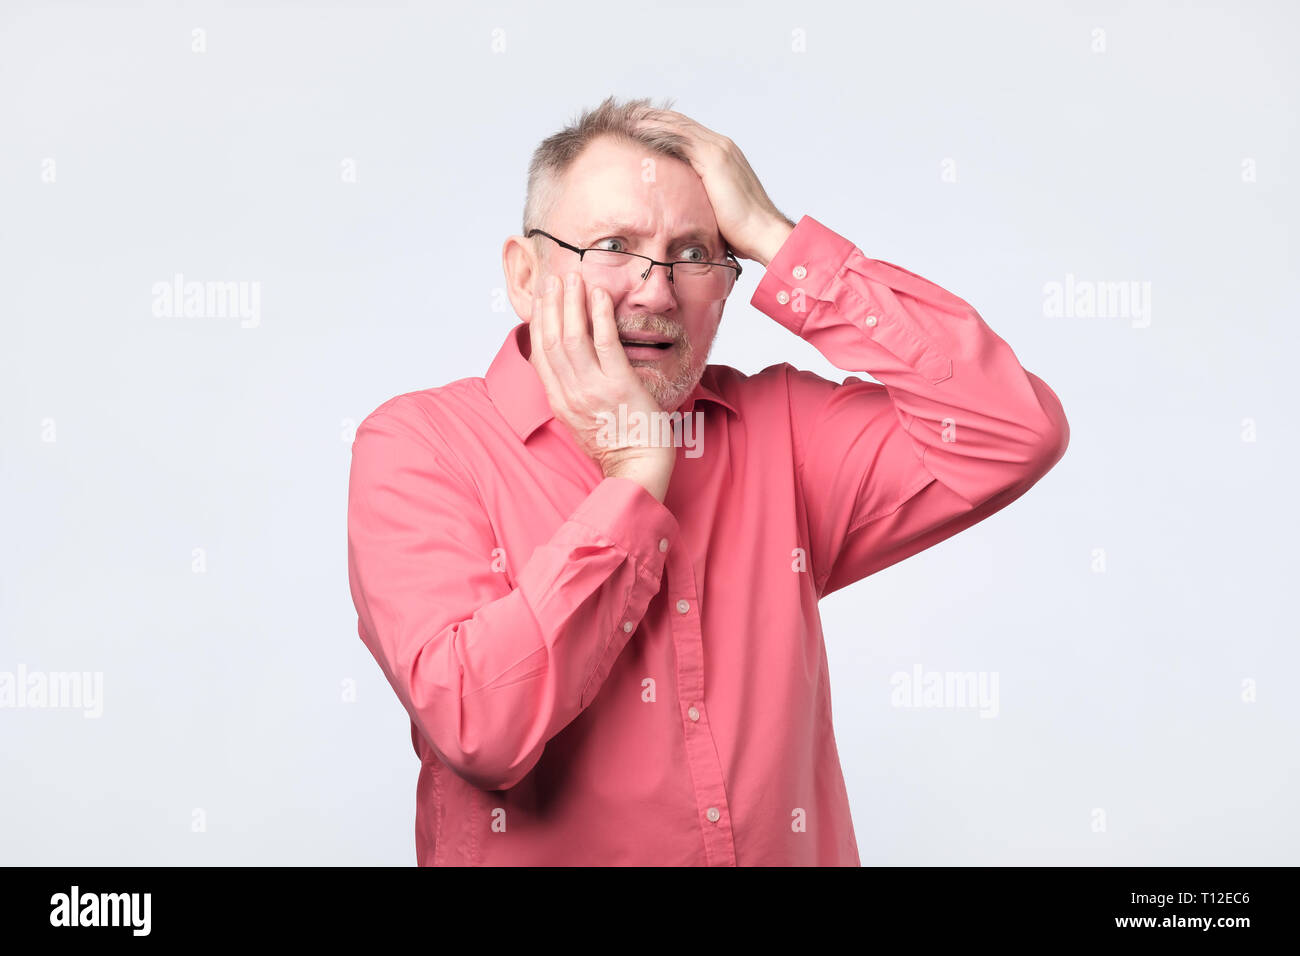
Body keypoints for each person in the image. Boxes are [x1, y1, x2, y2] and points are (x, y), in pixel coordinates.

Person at [346, 96, 1069, 866]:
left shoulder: (779, 431)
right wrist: (632, 479)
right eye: (615, 245)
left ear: (728, 285)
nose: (657, 293)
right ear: (526, 276)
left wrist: (774, 236)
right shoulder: (419, 446)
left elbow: (1011, 430)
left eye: (694, 254)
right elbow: (480, 726)